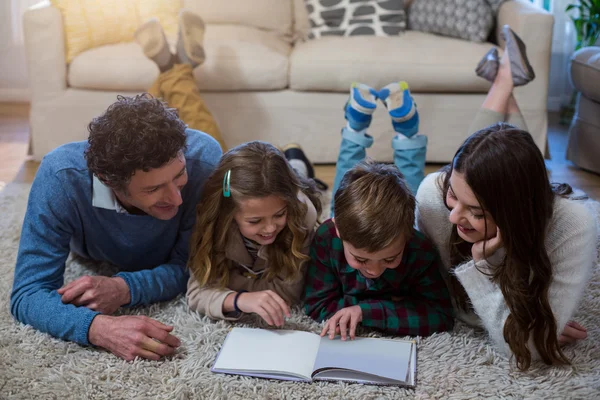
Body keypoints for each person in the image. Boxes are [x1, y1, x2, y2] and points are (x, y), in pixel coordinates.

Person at [415, 25, 596, 370]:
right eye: (455, 195)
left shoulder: (574, 226)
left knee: (503, 166)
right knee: (489, 158)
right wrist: (532, 321)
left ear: (515, 213)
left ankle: (504, 80)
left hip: (532, 207)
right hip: (499, 187)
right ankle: (504, 81)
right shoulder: (434, 197)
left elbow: (523, 352)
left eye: (477, 213)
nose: (453, 218)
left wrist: (482, 269)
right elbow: (450, 304)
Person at [10, 94, 222, 361]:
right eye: (154, 188)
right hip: (89, 250)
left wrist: (125, 288)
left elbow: (191, 267)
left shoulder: (205, 159)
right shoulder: (61, 177)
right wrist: (98, 328)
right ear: (108, 181)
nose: (177, 199)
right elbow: (28, 294)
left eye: (179, 175)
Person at [304, 160, 454, 340]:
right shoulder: (326, 238)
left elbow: (441, 316)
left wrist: (364, 311)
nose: (374, 271)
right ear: (338, 230)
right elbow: (316, 306)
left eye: (390, 259)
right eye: (361, 260)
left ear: (408, 236)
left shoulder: (420, 248)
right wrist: (396, 305)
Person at [186, 141, 322, 327]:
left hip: (298, 187)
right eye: (255, 221)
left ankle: (296, 160)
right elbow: (196, 292)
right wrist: (238, 299)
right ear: (229, 214)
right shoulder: (214, 222)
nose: (270, 229)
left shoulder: (302, 216)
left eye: (279, 215)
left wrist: (230, 283)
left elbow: (288, 293)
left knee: (303, 179)